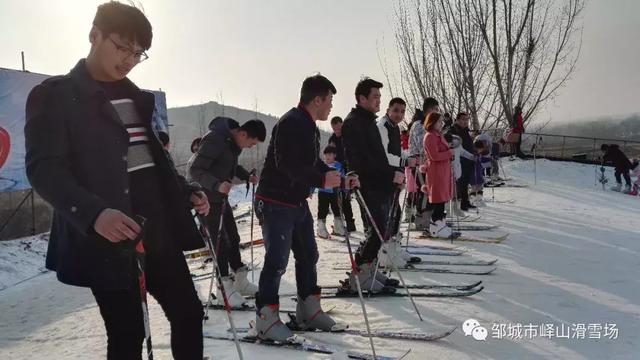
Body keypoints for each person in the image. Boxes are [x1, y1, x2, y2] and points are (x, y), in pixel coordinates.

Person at [24, 3, 210, 359]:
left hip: (159, 232)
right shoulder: (56, 95)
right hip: (109, 238)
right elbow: (44, 168)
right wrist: (94, 214)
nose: (129, 58)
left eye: (138, 52)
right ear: (94, 35)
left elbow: (152, 163)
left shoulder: (137, 98)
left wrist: (186, 192)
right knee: (127, 334)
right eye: (122, 46)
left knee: (189, 313)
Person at [254, 74, 357, 341]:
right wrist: (320, 179)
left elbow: (313, 163)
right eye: (330, 100)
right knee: (277, 261)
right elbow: (285, 164)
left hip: (296, 202)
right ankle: (266, 318)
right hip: (276, 202)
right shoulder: (292, 122)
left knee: (309, 255)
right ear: (317, 99)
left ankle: (308, 310)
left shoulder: (309, 125)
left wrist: (337, 176)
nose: (331, 106)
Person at [189, 117, 265, 307]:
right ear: (243, 133)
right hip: (205, 199)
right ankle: (223, 288)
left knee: (233, 237)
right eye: (251, 143)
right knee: (220, 242)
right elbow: (195, 169)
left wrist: (246, 176)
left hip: (220, 198)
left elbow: (229, 166)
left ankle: (240, 282)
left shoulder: (231, 143)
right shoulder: (215, 139)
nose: (250, 147)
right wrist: (216, 184)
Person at [342, 78, 405, 289]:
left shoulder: (368, 120)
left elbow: (379, 158)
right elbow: (362, 161)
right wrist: (390, 175)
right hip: (368, 185)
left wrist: (392, 176)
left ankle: (368, 268)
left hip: (380, 183)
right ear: (362, 98)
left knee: (382, 230)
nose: (379, 100)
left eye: (379, 96)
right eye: (375, 96)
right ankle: (360, 274)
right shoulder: (353, 122)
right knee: (377, 230)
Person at [375, 97, 419, 266]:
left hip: (394, 175)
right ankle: (385, 253)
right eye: (395, 110)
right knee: (388, 216)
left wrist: (408, 157)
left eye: (402, 111)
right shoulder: (383, 127)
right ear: (388, 110)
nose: (399, 114)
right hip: (384, 177)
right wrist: (404, 162)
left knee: (395, 214)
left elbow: (397, 151)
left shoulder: (395, 127)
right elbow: (383, 155)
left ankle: (394, 247)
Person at [408, 98, 440, 229]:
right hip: (418, 162)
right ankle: (421, 220)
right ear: (429, 109)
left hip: (427, 163)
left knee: (429, 190)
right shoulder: (419, 125)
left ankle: (427, 217)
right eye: (436, 109)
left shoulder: (428, 124)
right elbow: (424, 146)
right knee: (425, 190)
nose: (437, 112)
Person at [422, 113, 453, 237]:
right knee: (438, 199)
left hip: (443, 170)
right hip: (436, 171)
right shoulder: (429, 136)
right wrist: (449, 153)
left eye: (442, 121)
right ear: (432, 122)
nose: (442, 123)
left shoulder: (438, 135)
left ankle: (440, 224)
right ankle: (435, 226)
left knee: (442, 199)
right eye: (439, 121)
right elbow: (433, 156)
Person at [328, 116, 356, 232]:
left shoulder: (349, 136)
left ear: (342, 125)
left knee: (350, 198)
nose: (337, 132)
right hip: (338, 170)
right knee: (340, 198)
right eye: (335, 130)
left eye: (339, 129)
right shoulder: (332, 140)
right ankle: (343, 223)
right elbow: (330, 157)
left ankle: (353, 224)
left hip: (350, 169)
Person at [447, 112, 476, 211]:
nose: (465, 121)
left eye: (467, 119)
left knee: (465, 182)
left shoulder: (465, 130)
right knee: (458, 183)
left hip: (468, 159)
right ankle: (456, 206)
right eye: (463, 119)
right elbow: (453, 145)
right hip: (459, 161)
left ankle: (465, 202)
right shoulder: (453, 130)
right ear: (457, 120)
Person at [315, 146, 345, 239]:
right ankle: (321, 228)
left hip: (334, 192)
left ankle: (338, 226)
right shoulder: (322, 166)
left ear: (334, 155)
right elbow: (315, 178)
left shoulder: (337, 165)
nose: (327, 157)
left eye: (330, 154)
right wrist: (311, 190)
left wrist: (345, 188)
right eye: (326, 155)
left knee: (336, 208)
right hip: (323, 192)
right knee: (323, 209)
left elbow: (342, 177)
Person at [444, 133, 473, 217]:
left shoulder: (457, 146)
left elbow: (463, 152)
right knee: (447, 192)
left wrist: (471, 156)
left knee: (457, 192)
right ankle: (447, 210)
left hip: (456, 172)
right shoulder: (443, 146)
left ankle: (456, 209)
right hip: (446, 173)